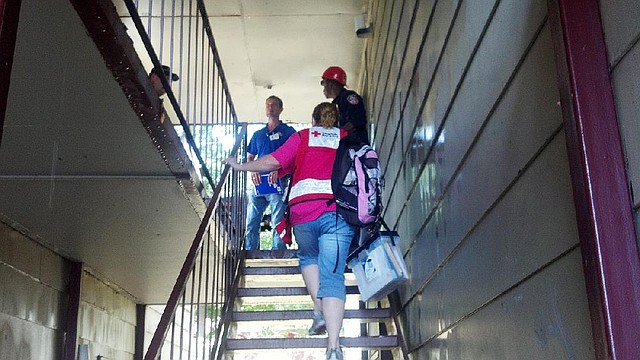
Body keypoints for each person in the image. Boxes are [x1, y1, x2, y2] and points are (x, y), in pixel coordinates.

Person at [224, 103, 354, 360]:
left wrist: (240, 166)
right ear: (337, 120)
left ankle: (318, 312)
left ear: (313, 119)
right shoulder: (346, 139)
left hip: (303, 212)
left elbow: (272, 161)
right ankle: (334, 348)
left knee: (308, 258)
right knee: (334, 278)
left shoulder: (303, 137)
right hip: (338, 213)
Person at [244, 95, 297, 250]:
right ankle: (250, 252)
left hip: (278, 182)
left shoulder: (288, 132)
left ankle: (278, 253)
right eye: (267, 104)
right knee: (251, 221)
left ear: (281, 109)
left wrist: (280, 169)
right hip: (259, 183)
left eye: (274, 105)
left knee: (278, 221)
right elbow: (250, 156)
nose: (270, 107)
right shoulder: (258, 134)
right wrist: (252, 169)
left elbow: (294, 155)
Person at [321, 66, 369, 144]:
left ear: (330, 84)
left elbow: (357, 119)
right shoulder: (336, 103)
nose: (324, 88)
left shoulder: (348, 96)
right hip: (345, 146)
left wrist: (339, 134)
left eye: (324, 83)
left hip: (355, 146)